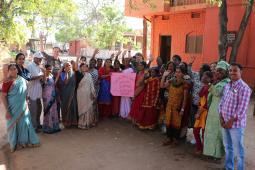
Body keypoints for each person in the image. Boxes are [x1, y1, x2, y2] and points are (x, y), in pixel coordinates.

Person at [219, 63, 252, 170]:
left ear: (240, 72)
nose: (232, 72)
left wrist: (231, 121)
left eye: (235, 70)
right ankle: (229, 167)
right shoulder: (228, 85)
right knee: (228, 147)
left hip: (236, 125)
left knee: (238, 150)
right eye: (230, 70)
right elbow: (222, 102)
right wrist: (221, 117)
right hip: (224, 122)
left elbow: (242, 109)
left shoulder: (245, 88)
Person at [1, 64, 40, 152]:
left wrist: (27, 101)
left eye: (14, 68)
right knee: (13, 125)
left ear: (17, 70)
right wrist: (7, 110)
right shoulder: (6, 82)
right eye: (11, 69)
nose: (13, 70)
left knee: (24, 124)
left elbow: (26, 93)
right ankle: (14, 143)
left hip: (23, 106)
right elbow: (3, 97)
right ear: (8, 71)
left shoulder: (22, 80)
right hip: (12, 108)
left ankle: (23, 142)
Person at [203, 60, 230, 159]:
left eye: (221, 71)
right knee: (211, 131)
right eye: (217, 71)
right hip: (213, 109)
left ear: (226, 72)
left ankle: (218, 154)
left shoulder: (227, 82)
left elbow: (218, 92)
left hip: (220, 111)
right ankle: (211, 152)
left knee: (218, 133)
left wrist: (210, 84)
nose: (218, 73)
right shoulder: (218, 81)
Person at [162, 66, 188, 146]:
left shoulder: (185, 84)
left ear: (183, 74)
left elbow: (185, 99)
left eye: (179, 72)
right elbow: (162, 86)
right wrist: (164, 76)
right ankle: (168, 138)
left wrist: (182, 109)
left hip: (177, 106)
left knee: (176, 123)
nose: (177, 73)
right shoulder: (171, 81)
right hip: (169, 105)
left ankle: (175, 140)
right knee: (168, 122)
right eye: (176, 72)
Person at [193, 71, 213, 154]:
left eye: (205, 76)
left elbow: (206, 104)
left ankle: (203, 149)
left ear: (209, 79)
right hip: (201, 111)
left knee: (203, 132)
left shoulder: (209, 87)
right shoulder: (204, 86)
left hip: (204, 113)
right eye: (203, 75)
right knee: (196, 130)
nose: (203, 77)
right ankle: (200, 147)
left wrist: (198, 113)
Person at [56, 62, 78, 128]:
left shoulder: (74, 74)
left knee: (72, 107)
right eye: (66, 66)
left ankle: (73, 122)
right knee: (65, 107)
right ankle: (66, 122)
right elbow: (65, 82)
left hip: (72, 94)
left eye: (69, 65)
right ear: (64, 67)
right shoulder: (62, 74)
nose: (68, 67)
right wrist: (67, 74)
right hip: (65, 94)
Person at [26, 52, 44, 132]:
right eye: (39, 59)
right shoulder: (29, 66)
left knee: (39, 109)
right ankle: (33, 127)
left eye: (41, 59)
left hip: (38, 93)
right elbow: (28, 78)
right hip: (32, 92)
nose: (40, 60)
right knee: (33, 110)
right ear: (35, 58)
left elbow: (42, 78)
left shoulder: (39, 66)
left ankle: (38, 124)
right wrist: (40, 76)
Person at [42, 64, 61, 134]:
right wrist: (44, 73)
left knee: (53, 110)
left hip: (52, 95)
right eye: (48, 69)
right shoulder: (44, 76)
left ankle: (54, 126)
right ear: (45, 69)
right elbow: (44, 83)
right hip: (46, 95)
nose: (50, 70)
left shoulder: (51, 76)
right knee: (48, 110)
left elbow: (54, 83)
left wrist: (58, 74)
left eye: (51, 69)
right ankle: (48, 127)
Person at [77, 63, 96, 129]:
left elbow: (92, 85)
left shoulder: (89, 75)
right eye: (83, 66)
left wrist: (93, 93)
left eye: (86, 66)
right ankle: (81, 124)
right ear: (80, 68)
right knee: (82, 108)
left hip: (88, 94)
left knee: (88, 108)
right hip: (80, 95)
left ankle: (88, 123)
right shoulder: (78, 75)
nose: (84, 68)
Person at [89, 58, 99, 123]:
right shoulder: (87, 70)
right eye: (91, 62)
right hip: (87, 89)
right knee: (88, 104)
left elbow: (97, 80)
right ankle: (89, 119)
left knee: (94, 104)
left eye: (94, 62)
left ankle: (94, 120)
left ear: (95, 64)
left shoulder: (96, 70)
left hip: (94, 89)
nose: (92, 63)